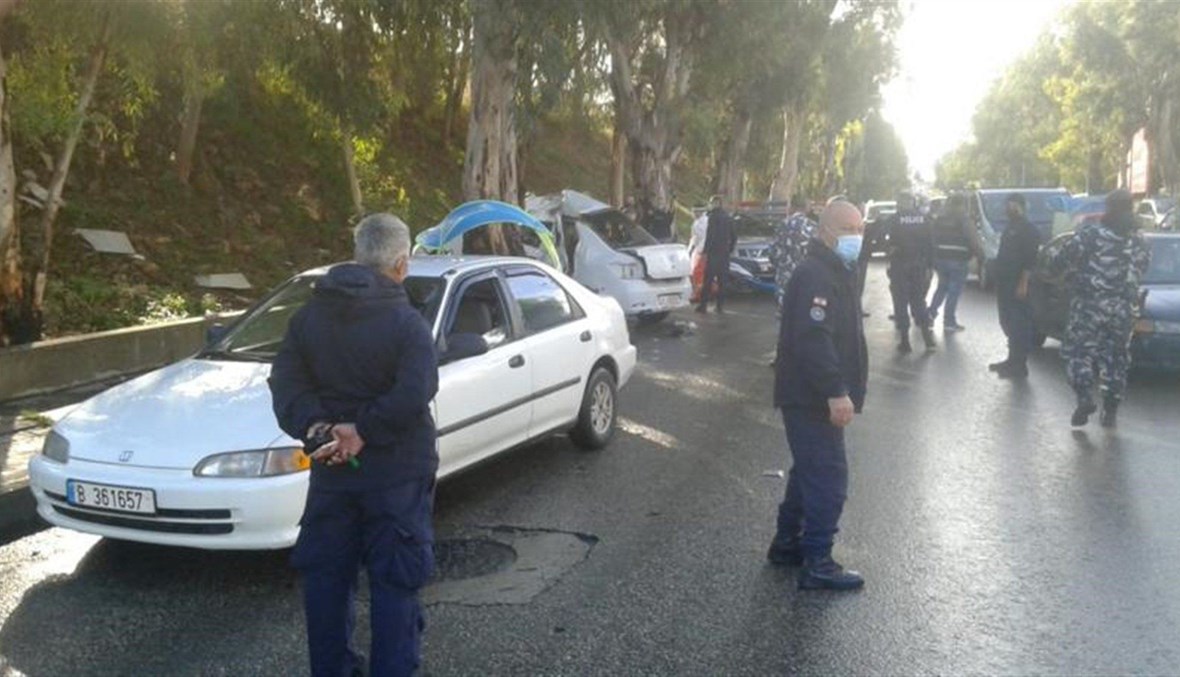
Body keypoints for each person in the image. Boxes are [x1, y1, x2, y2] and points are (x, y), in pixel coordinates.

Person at [268, 213, 440, 677]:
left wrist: (320, 430)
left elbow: (285, 385)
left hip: (332, 473)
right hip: (398, 474)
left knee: (325, 582)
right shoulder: (407, 323)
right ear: (402, 263)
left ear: (358, 254)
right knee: (396, 583)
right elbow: (415, 390)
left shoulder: (306, 318)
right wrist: (363, 431)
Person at [767, 200, 868, 591]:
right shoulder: (816, 275)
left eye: (861, 229)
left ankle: (787, 543)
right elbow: (813, 338)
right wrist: (835, 392)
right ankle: (818, 562)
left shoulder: (835, 269)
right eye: (848, 229)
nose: (856, 237)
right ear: (826, 231)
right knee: (828, 477)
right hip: (811, 395)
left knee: (808, 470)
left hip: (812, 395)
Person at [1047, 189, 1151, 426]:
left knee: (1078, 353)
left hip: (1089, 306)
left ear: (1108, 208)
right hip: (1123, 309)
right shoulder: (1142, 241)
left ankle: (1085, 397)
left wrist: (1057, 270)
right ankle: (1111, 409)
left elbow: (1061, 259)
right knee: (1116, 358)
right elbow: (1141, 270)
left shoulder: (1091, 235)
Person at [989, 193, 1043, 379]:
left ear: (1020, 206)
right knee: (1007, 322)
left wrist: (1023, 283)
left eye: (1010, 205)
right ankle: (1011, 360)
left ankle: (1020, 365)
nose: (1007, 208)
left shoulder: (1029, 230)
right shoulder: (1011, 227)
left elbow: (1030, 261)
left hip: (1018, 283)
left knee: (1019, 324)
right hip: (1005, 283)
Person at [885, 191, 937, 352]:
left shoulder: (894, 219)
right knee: (918, 300)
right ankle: (927, 339)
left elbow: (887, 241)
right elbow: (930, 243)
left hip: (900, 264)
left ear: (900, 202)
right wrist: (930, 266)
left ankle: (905, 341)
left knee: (900, 301)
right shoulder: (924, 219)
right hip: (919, 265)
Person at [928, 193, 982, 331]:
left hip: (941, 259)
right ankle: (949, 321)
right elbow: (973, 239)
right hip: (958, 260)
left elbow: (932, 237)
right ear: (962, 204)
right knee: (954, 291)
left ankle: (930, 314)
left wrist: (933, 257)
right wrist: (980, 255)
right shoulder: (964, 219)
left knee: (942, 287)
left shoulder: (940, 219)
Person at [768, 194, 816, 309]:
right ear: (806, 207)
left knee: (785, 316)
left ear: (792, 206)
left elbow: (773, 252)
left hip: (785, 280)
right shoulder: (812, 226)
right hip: (806, 280)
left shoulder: (783, 224)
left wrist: (781, 267)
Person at [697, 194, 737, 314]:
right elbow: (734, 236)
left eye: (712, 203)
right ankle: (720, 306)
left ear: (715, 203)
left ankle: (703, 305)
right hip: (724, 253)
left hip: (714, 252)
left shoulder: (713, 217)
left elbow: (710, 235)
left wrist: (705, 251)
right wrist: (729, 249)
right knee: (722, 281)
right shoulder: (728, 217)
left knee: (708, 280)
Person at [687, 208, 710, 304]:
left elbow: (695, 238)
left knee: (697, 273)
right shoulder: (706, 220)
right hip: (706, 250)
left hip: (701, 250)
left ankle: (698, 294)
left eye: (694, 212)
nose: (693, 214)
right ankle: (705, 292)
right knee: (703, 273)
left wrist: (689, 249)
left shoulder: (698, 223)